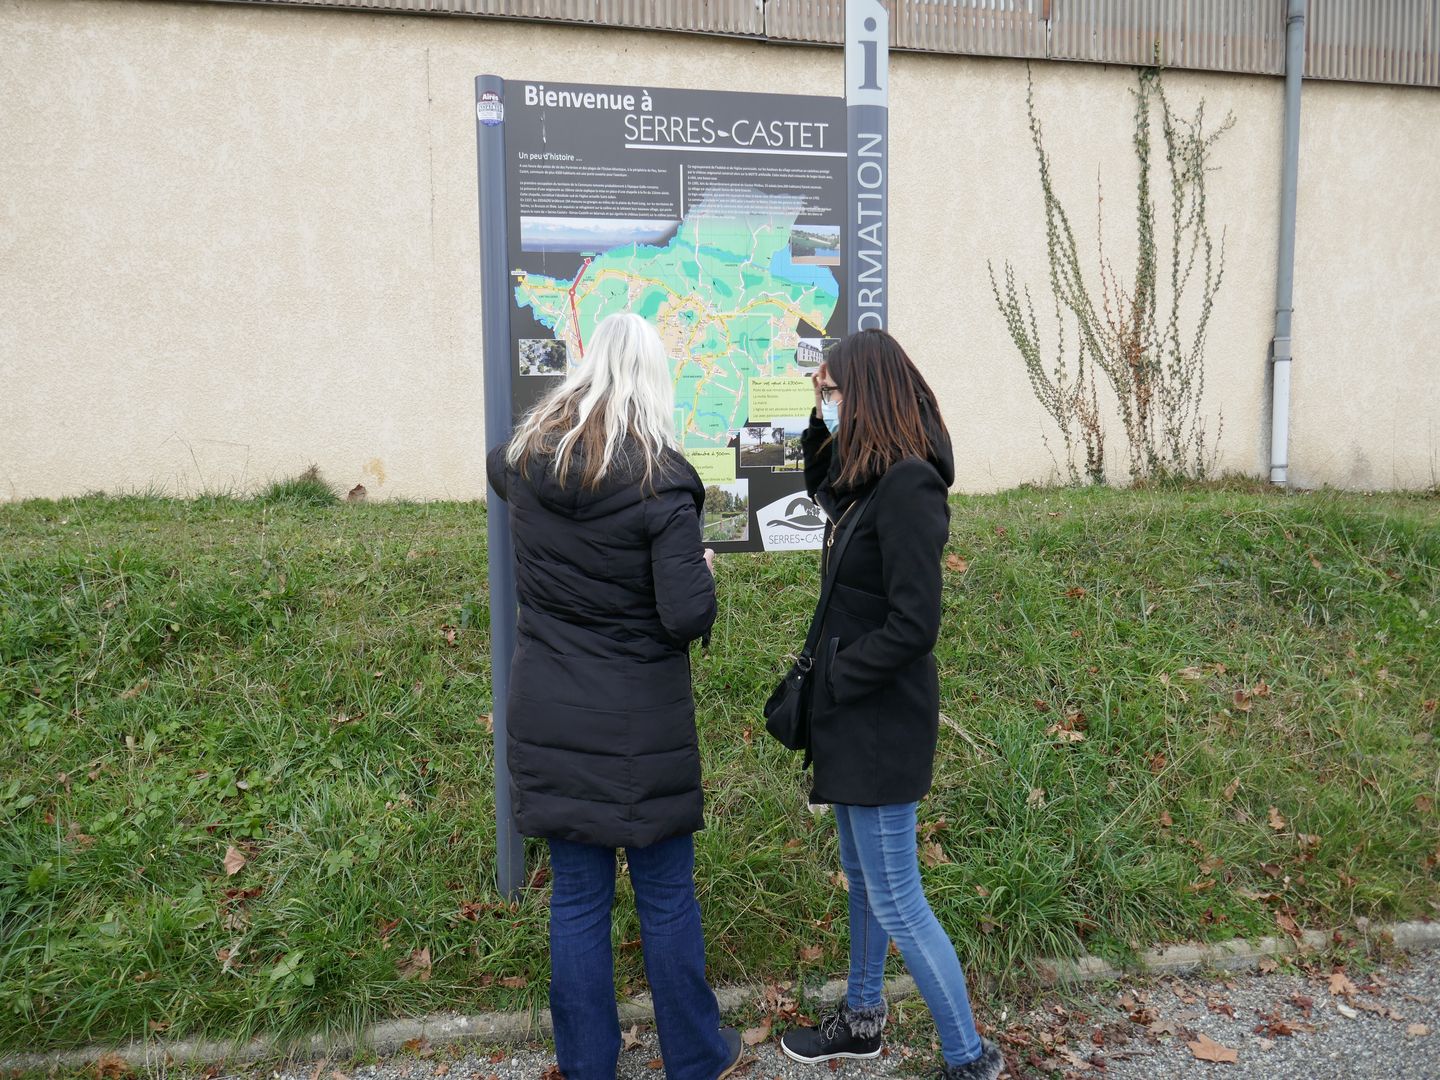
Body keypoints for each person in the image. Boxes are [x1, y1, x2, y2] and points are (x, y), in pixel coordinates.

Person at [486, 313, 742, 1080]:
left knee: (575, 900)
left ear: (587, 369)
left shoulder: (527, 462)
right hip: (639, 725)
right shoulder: (662, 481)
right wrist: (702, 570)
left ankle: (588, 1065)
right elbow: (685, 614)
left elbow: (500, 467)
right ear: (654, 382)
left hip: (550, 714)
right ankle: (695, 1058)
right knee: (665, 897)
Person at [777, 329, 1004, 1080]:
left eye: (834, 393)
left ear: (867, 394)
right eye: (823, 394)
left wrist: (842, 676)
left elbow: (915, 623)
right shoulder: (869, 481)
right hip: (853, 713)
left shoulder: (909, 486)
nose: (828, 404)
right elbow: (823, 483)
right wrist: (815, 415)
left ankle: (969, 1059)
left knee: (899, 897)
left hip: (878, 715)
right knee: (865, 881)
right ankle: (863, 1021)